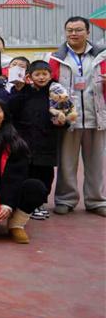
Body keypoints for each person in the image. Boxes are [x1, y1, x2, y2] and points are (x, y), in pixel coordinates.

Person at [48, 16, 106, 217]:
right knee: (67, 162)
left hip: (96, 115)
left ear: (88, 32)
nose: (74, 33)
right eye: (70, 30)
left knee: (96, 163)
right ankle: (66, 199)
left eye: (78, 30)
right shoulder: (56, 58)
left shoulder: (102, 56)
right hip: (68, 118)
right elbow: (50, 85)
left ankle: (97, 200)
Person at [0, 98, 47, 243]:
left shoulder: (15, 142)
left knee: (36, 187)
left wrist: (7, 203)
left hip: (7, 193)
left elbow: (16, 176)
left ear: (5, 115)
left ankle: (16, 224)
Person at [9, 60, 65, 219]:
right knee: (27, 173)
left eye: (44, 74)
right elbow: (12, 110)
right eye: (37, 74)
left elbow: (65, 113)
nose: (41, 77)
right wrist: (19, 89)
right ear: (30, 76)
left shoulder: (56, 92)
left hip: (47, 142)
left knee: (46, 174)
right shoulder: (23, 91)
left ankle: (40, 203)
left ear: (50, 75)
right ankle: (27, 204)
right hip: (25, 142)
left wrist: (62, 122)